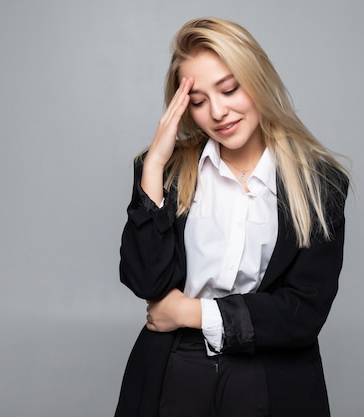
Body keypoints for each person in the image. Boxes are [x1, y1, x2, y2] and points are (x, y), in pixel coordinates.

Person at [114, 17, 350, 417]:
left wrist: (190, 312)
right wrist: (153, 165)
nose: (218, 112)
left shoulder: (319, 184)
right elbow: (146, 281)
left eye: (229, 89)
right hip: (173, 369)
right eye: (199, 101)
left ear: (256, 78)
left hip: (271, 374)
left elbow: (302, 313)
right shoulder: (166, 173)